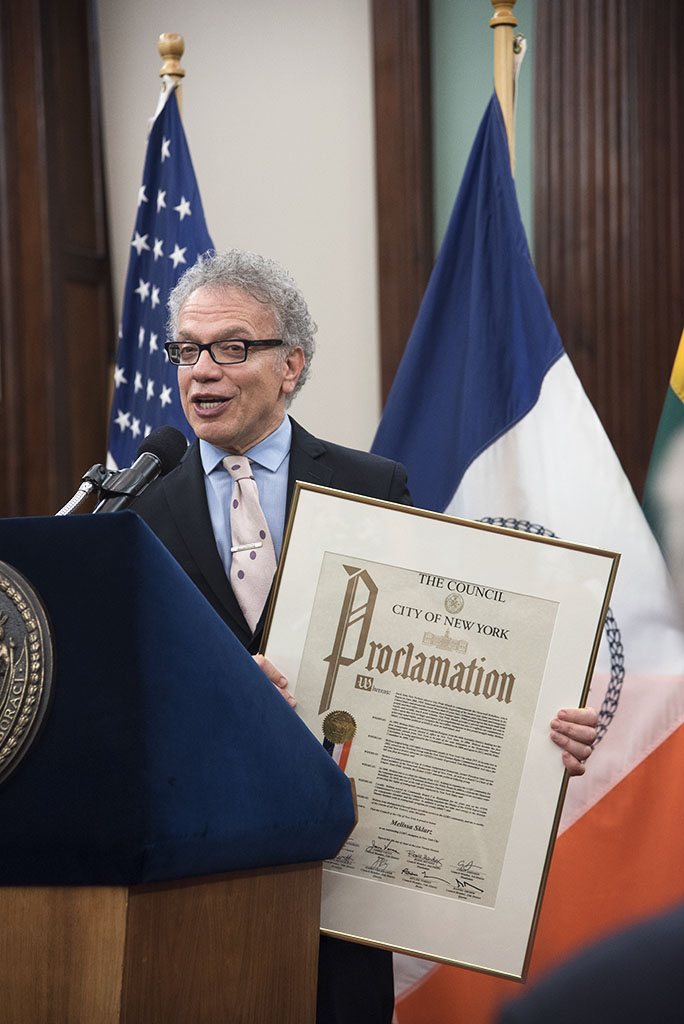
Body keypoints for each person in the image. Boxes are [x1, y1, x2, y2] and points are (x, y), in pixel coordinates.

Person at [131, 248, 598, 1024]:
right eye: (187, 349)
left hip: (344, 868)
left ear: (291, 365)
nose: (202, 371)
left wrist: (543, 723)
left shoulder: (373, 486)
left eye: (232, 348)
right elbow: (125, 692)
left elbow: (447, 651)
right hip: (197, 876)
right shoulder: (136, 508)